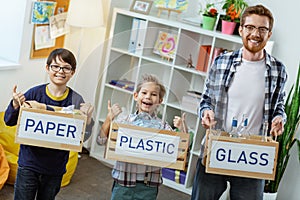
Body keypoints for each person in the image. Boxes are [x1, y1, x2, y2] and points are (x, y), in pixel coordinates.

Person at [191, 5, 287, 200]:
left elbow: (279, 105)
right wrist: (206, 111)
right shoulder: (221, 62)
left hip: (252, 155)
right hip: (216, 148)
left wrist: (279, 117)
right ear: (241, 29)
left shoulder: (278, 69)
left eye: (262, 29)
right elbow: (206, 99)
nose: (255, 34)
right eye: (250, 27)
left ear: (269, 34)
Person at [4, 48, 94, 200]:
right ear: (47, 68)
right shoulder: (34, 93)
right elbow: (9, 121)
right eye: (55, 66)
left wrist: (89, 119)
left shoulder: (77, 100)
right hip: (29, 164)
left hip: (55, 167)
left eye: (66, 68)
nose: (60, 71)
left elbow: (82, 137)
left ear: (72, 72)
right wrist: (14, 105)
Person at [99, 74, 187, 200]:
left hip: (148, 186)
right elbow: (101, 140)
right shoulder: (124, 121)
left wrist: (181, 128)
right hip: (123, 183)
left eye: (154, 94)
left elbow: (180, 151)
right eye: (144, 92)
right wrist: (109, 119)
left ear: (160, 101)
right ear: (136, 96)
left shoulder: (163, 127)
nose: (148, 97)